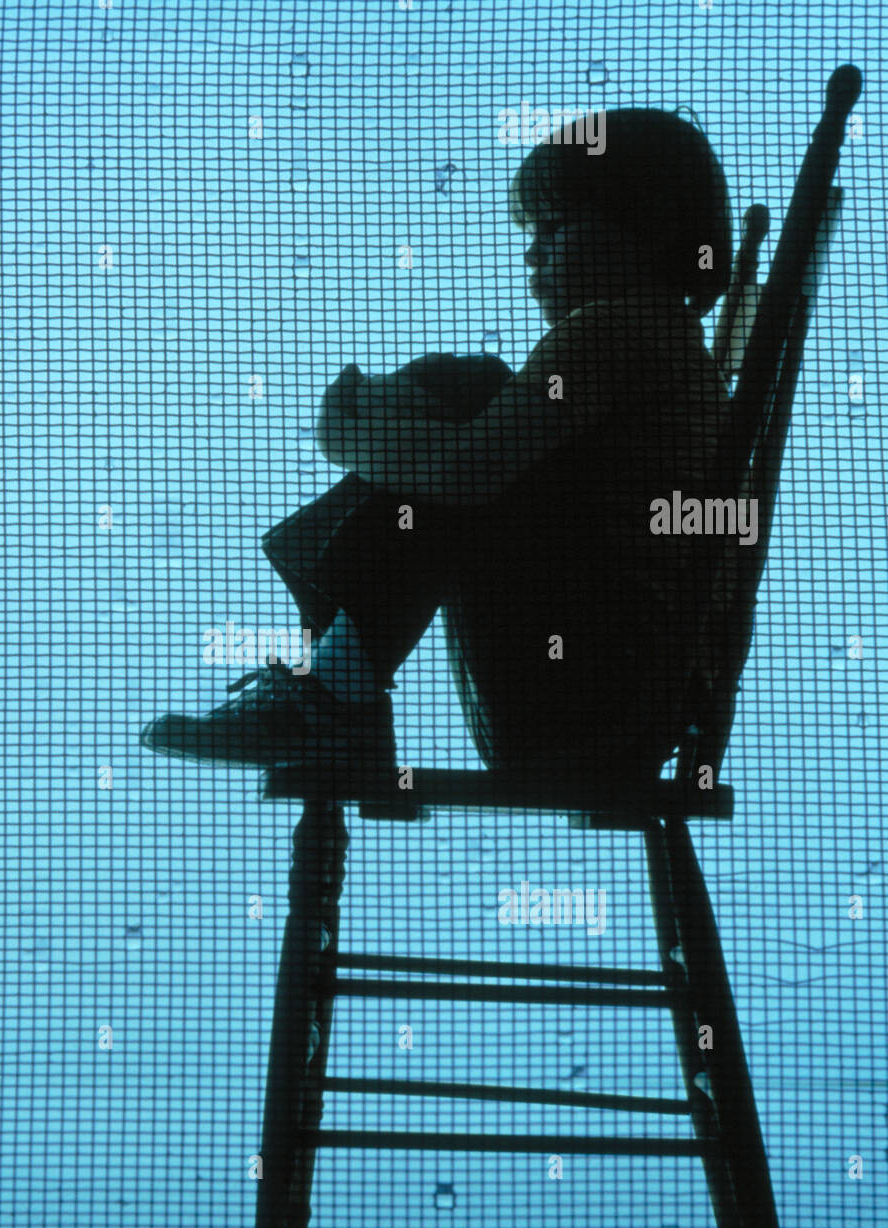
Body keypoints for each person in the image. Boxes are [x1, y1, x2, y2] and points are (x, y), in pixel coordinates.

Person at [141, 108, 739, 784]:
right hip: (620, 695)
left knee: (473, 396)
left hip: (591, 696)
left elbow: (468, 472)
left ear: (648, 229)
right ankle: (333, 689)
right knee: (473, 406)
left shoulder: (616, 330)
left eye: (557, 226)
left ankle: (330, 698)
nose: (531, 252)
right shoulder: (663, 339)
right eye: (529, 232)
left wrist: (352, 434)